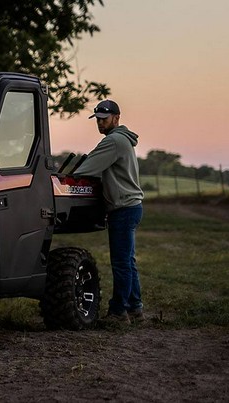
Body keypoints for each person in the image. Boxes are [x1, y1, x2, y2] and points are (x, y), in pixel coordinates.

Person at [73, 100, 144, 325]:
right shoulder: (124, 140)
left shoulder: (113, 141)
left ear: (116, 117)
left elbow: (86, 169)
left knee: (121, 262)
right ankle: (135, 308)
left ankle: (118, 313)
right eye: (98, 119)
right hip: (131, 206)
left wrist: (67, 177)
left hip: (123, 208)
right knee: (128, 261)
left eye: (104, 119)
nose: (101, 123)